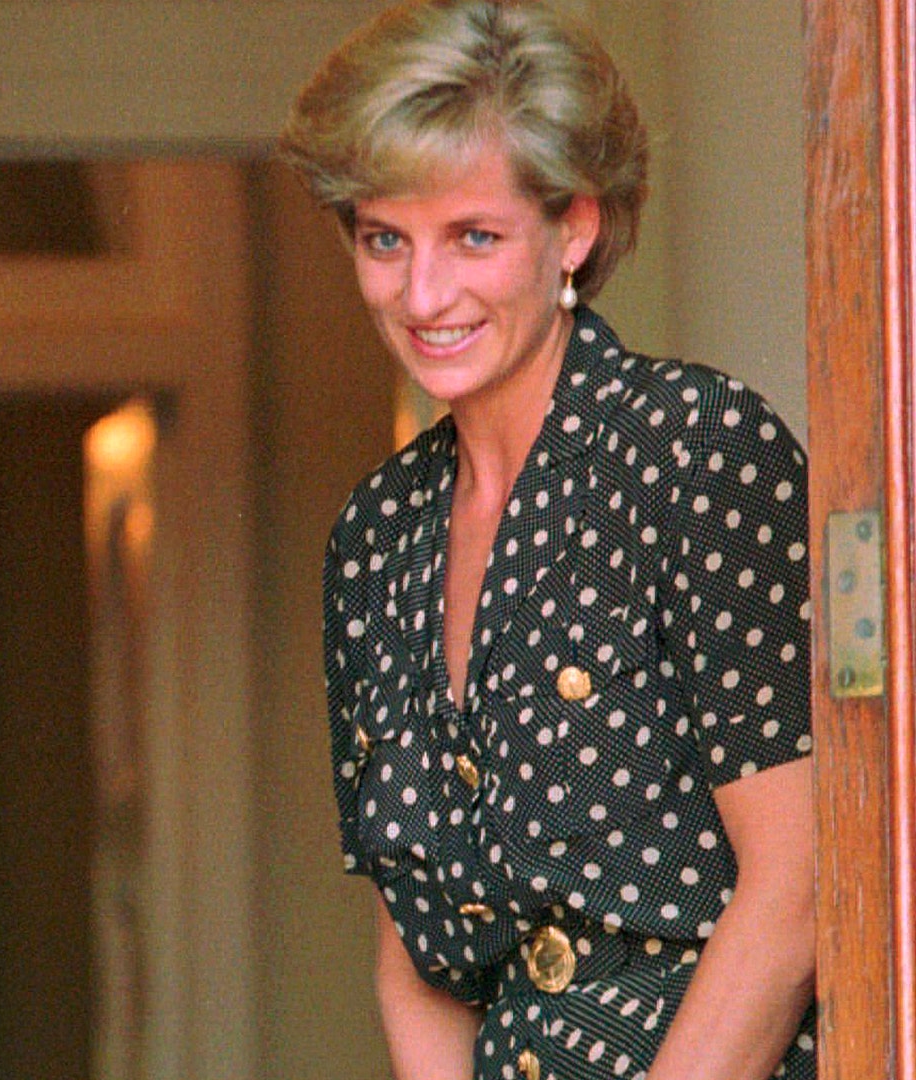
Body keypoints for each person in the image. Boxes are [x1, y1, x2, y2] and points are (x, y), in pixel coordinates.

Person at [279, 3, 815, 1079]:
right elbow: (415, 954)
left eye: (473, 235)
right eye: (387, 239)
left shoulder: (696, 452)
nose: (422, 295)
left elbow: (799, 891)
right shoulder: (377, 538)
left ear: (572, 228)